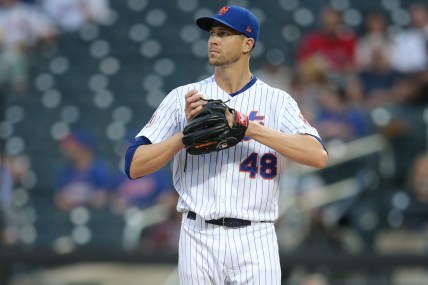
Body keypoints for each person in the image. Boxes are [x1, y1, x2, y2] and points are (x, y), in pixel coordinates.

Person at [125, 5, 328, 284]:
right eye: (212, 33)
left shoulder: (277, 101)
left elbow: (318, 155)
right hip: (198, 235)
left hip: (256, 237)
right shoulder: (185, 97)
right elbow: (134, 165)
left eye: (224, 33)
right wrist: (183, 136)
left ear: (247, 44)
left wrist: (251, 129)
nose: (214, 40)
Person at [55, 131, 112, 212]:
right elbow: (59, 199)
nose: (68, 150)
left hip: (94, 216)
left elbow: (101, 200)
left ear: (84, 148)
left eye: (73, 147)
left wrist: (75, 203)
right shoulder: (66, 171)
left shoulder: (99, 170)